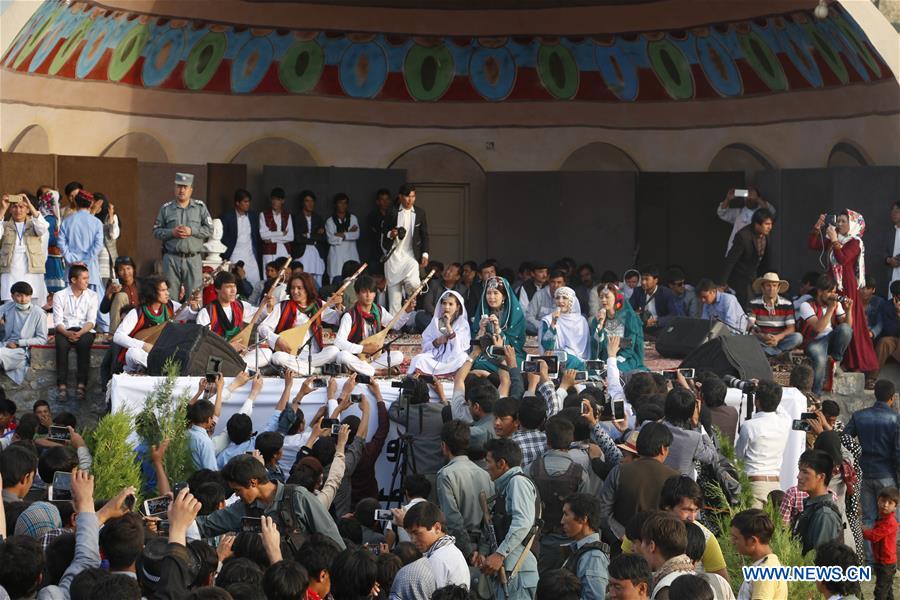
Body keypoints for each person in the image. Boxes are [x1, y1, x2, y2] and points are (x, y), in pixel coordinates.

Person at [195, 454, 345, 549]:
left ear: (253, 482)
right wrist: (177, 519)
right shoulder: (243, 508)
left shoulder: (298, 498)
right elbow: (207, 525)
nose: (236, 495)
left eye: (238, 490)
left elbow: (332, 539)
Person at [809, 210, 878, 376]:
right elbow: (813, 245)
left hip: (846, 285)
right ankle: (830, 357)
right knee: (831, 318)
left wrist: (833, 240)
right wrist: (817, 227)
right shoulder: (836, 239)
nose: (839, 224)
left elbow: (843, 259)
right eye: (838, 221)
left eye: (843, 221)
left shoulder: (855, 242)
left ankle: (850, 362)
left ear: (852, 224)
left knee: (848, 322)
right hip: (831, 283)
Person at [598, 423, 679, 547]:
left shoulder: (619, 471)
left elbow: (603, 511)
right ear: (663, 449)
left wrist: (623, 537)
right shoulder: (675, 478)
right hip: (659, 550)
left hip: (620, 549)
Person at [480, 438, 538, 600]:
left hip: (517, 572)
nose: (486, 467)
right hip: (510, 571)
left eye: (489, 461)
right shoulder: (507, 486)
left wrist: (499, 555)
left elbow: (523, 522)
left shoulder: (517, 483)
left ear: (501, 463)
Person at [844, 379, 899, 548]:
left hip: (864, 473)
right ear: (892, 398)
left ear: (875, 395)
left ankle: (867, 561)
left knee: (867, 518)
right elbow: (898, 452)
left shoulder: (859, 416)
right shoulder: (896, 419)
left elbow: (845, 440)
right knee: (889, 521)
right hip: (887, 475)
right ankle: (886, 560)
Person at [532, 416, 590, 571]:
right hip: (570, 545)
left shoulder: (531, 469)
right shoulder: (580, 473)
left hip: (537, 544)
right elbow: (587, 512)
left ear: (548, 442)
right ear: (570, 442)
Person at [435, 419, 494, 562]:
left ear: (444, 446)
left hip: (458, 547)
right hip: (482, 549)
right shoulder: (485, 474)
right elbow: (490, 517)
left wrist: (469, 552)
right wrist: (482, 550)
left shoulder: (446, 474)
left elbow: (452, 519)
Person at [260, 272, 342, 375]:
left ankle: (300, 369)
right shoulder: (282, 306)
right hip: (290, 354)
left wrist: (338, 305)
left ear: (308, 289)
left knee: (334, 351)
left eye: (299, 288)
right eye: (293, 288)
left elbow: (337, 319)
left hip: (313, 355)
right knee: (277, 357)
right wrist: (277, 340)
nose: (295, 291)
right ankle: (317, 371)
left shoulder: (319, 305)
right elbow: (262, 327)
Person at [112, 276, 198, 372]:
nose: (167, 293)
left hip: (162, 354)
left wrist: (194, 306)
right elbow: (118, 336)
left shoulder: (170, 306)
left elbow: (191, 315)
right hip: (144, 354)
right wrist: (143, 345)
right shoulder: (137, 312)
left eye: (167, 290)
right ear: (152, 292)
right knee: (132, 353)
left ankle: (158, 369)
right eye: (163, 290)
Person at [334, 274, 414, 376]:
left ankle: (359, 370)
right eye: (364, 292)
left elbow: (395, 325)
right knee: (342, 356)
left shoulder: (379, 311)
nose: (368, 295)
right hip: (356, 357)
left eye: (371, 291)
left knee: (398, 356)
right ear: (357, 294)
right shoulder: (349, 316)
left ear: (375, 294)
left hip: (373, 358)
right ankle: (377, 372)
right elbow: (338, 342)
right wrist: (363, 349)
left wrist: (406, 312)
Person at [153, 172, 213, 302]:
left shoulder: (200, 208)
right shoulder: (166, 209)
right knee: (169, 297)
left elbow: (209, 230)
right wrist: (171, 233)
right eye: (179, 186)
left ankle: (194, 322)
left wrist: (192, 231)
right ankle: (170, 322)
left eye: (185, 187)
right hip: (171, 258)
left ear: (191, 190)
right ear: (174, 188)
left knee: (195, 297)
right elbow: (156, 231)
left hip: (193, 258)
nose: (182, 190)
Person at [196, 271, 271, 369]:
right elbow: (204, 344)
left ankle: (240, 366)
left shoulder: (240, 305)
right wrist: (229, 347)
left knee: (267, 353)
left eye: (234, 286)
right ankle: (241, 367)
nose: (233, 291)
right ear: (217, 289)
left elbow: (259, 315)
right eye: (228, 287)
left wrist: (268, 306)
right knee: (214, 363)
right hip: (220, 355)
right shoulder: (206, 313)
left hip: (240, 355)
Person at [735, 380, 791, 507]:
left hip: (754, 484)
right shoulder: (785, 421)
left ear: (757, 402)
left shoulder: (749, 426)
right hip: (775, 484)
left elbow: (738, 456)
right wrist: (766, 388)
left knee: (751, 525)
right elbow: (779, 406)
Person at [798, 274, 853, 394]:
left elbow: (847, 327)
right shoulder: (806, 305)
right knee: (819, 357)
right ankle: (816, 393)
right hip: (813, 341)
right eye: (829, 292)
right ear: (819, 292)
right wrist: (830, 309)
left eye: (834, 291)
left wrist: (848, 311)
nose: (833, 295)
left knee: (845, 329)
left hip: (830, 339)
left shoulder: (835, 304)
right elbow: (818, 328)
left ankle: (835, 361)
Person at [52, 265, 99, 400]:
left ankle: (81, 385)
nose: (87, 281)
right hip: (65, 329)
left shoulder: (92, 295)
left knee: (84, 345)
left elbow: (91, 321)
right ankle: (62, 386)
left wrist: (80, 333)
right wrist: (67, 334)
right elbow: (57, 322)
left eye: (87, 278)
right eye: (84, 278)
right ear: (73, 280)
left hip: (84, 329)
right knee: (61, 345)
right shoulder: (59, 295)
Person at [382, 184, 429, 314]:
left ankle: (408, 296)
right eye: (407, 196)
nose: (410, 200)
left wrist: (425, 254)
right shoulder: (392, 211)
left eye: (413, 196)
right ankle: (394, 328)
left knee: (414, 284)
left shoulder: (420, 212)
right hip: (394, 257)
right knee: (394, 298)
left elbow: (424, 234)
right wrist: (390, 234)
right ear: (400, 197)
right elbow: (384, 230)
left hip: (411, 255)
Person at [402, 501, 470, 589]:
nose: (413, 540)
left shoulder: (437, 560)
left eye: (416, 533)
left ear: (437, 528)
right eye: (410, 534)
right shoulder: (449, 550)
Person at [0, 193, 49, 306]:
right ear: (10, 209)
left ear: (28, 209)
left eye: (22, 206)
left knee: (34, 309)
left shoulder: (35, 225)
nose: (18, 210)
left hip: (32, 273)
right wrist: (3, 208)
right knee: (10, 309)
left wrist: (30, 205)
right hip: (10, 274)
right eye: (15, 206)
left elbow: (43, 227)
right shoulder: (5, 225)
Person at [470, 276, 526, 374]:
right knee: (479, 364)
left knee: (518, 364)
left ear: (504, 296)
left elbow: (516, 345)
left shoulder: (515, 315)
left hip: (510, 354)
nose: (491, 297)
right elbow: (474, 346)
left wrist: (498, 330)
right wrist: (481, 330)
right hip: (486, 354)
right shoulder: (482, 313)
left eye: (496, 293)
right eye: (488, 293)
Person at [408, 290, 470, 377]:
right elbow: (425, 343)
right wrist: (437, 342)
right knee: (418, 359)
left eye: (451, 304)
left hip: (452, 359)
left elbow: (461, 346)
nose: (447, 307)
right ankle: (444, 373)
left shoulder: (462, 323)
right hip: (436, 357)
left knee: (463, 358)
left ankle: (441, 373)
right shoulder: (436, 321)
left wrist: (448, 325)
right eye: (444, 303)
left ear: (458, 307)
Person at [721, 208, 774, 309]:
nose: (770, 227)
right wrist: (722, 283)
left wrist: (766, 277)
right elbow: (730, 260)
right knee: (748, 304)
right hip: (740, 276)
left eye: (771, 224)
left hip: (755, 275)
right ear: (757, 224)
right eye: (767, 224)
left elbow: (766, 259)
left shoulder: (766, 235)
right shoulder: (743, 236)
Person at [793, 449, 843, 556]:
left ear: (821, 477)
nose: (799, 476)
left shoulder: (825, 515)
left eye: (805, 472)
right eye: (799, 470)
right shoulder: (811, 506)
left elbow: (821, 561)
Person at [560, 493, 610, 600]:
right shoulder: (581, 550)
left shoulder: (593, 557)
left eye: (566, 514)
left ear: (583, 519)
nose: (562, 521)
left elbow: (594, 598)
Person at [729, 509, 787, 600]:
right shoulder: (766, 565)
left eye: (736, 538)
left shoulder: (765, 571)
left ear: (752, 540)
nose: (732, 542)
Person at [0, 281, 48, 384]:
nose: (23, 299)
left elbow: (42, 339)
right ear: (12, 296)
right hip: (4, 345)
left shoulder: (38, 313)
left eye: (27, 296)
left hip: (20, 350)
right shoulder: (6, 308)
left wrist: (18, 343)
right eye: (19, 296)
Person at [637, 512, 693, 600]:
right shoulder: (698, 579)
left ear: (652, 546)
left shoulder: (667, 589)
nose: (641, 547)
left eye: (643, 542)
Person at [591, 284, 645, 373]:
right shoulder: (597, 320)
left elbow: (629, 345)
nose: (603, 300)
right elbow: (595, 347)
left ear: (616, 298)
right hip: (604, 358)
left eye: (607, 297)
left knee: (616, 370)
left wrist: (614, 360)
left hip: (625, 358)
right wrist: (600, 324)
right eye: (601, 297)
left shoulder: (629, 317)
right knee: (591, 372)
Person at [747, 272, 803, 359]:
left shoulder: (787, 304)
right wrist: (762, 336)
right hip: (762, 339)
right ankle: (778, 354)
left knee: (798, 337)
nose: (771, 288)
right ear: (762, 287)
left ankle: (772, 352)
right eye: (768, 285)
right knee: (749, 339)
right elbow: (750, 326)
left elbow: (791, 328)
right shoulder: (754, 303)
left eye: (774, 285)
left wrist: (777, 338)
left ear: (778, 288)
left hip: (780, 340)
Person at [541, 286, 590, 370]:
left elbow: (586, 349)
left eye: (564, 298)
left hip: (581, 361)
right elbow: (547, 346)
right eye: (557, 298)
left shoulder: (581, 321)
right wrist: (553, 323)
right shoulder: (548, 320)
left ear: (571, 301)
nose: (560, 301)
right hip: (558, 361)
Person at [862, 486, 897, 600]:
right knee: (887, 591)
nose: (885, 505)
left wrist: (861, 530)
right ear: (877, 501)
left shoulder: (890, 522)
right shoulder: (881, 518)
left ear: (895, 507)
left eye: (890, 503)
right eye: (883, 501)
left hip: (886, 563)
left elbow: (874, 536)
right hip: (881, 561)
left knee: (880, 592)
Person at [222, 189, 262, 285]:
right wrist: (225, 258)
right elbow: (223, 238)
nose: (248, 204)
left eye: (249, 202)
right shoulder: (227, 217)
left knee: (255, 280)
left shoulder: (253, 216)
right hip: (235, 254)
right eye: (245, 202)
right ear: (237, 203)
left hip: (250, 254)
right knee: (238, 282)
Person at [717, 187, 776, 254]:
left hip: (750, 256)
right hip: (733, 252)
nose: (749, 198)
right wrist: (727, 199)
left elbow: (772, 213)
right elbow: (722, 213)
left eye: (752, 195)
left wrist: (757, 199)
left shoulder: (762, 213)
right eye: (747, 195)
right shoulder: (739, 213)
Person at [415, 262, 467, 332]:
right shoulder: (435, 283)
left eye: (451, 271)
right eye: (447, 269)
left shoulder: (462, 290)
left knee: (461, 322)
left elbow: (461, 310)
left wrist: (449, 319)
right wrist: (439, 316)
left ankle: (439, 331)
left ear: (457, 277)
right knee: (420, 316)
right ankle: (442, 332)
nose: (447, 272)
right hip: (434, 317)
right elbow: (427, 303)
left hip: (452, 320)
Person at [35, 187, 66, 302]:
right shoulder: (51, 219)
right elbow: (52, 239)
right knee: (54, 290)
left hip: (48, 257)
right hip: (52, 259)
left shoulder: (41, 217)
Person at [629, 266, 680, 331]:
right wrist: (635, 314)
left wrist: (656, 321)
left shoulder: (666, 293)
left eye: (647, 279)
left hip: (660, 328)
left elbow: (674, 315)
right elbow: (628, 308)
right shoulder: (638, 291)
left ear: (656, 280)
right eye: (642, 279)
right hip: (643, 328)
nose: (643, 282)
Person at [294, 189, 328, 286]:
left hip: (317, 253)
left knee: (318, 280)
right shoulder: (296, 217)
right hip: (302, 253)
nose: (310, 204)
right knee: (302, 279)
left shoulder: (318, 218)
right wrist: (315, 236)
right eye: (307, 201)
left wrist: (308, 235)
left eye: (312, 201)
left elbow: (323, 237)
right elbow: (298, 238)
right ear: (302, 203)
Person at [325, 192, 360, 282]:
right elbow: (331, 239)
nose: (343, 205)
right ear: (336, 204)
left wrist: (341, 234)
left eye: (345, 203)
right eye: (340, 203)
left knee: (354, 280)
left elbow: (356, 234)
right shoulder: (330, 221)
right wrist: (348, 233)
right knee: (336, 281)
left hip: (351, 254)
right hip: (337, 256)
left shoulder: (353, 218)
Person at [99, 256, 139, 335]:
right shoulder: (114, 284)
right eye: (121, 270)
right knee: (121, 296)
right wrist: (109, 293)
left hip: (137, 320)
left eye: (128, 268)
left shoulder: (141, 283)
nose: (126, 272)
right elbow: (103, 310)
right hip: (120, 323)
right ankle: (113, 334)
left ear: (133, 269)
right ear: (117, 272)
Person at [259, 186, 295, 272]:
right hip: (269, 252)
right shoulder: (263, 215)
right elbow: (263, 236)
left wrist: (271, 239)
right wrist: (281, 233)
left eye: (278, 199)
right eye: (273, 199)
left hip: (284, 250)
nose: (274, 202)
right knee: (269, 276)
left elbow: (290, 237)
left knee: (284, 277)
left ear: (282, 201)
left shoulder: (287, 216)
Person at [90, 192, 119, 287]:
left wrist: (111, 216)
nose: (96, 206)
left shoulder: (111, 216)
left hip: (105, 256)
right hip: (92, 255)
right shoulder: (90, 216)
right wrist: (92, 213)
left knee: (104, 283)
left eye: (98, 204)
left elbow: (113, 234)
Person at [526, 269, 566, 335]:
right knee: (525, 324)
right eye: (553, 282)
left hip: (560, 330)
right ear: (549, 282)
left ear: (564, 284)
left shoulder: (569, 297)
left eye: (559, 282)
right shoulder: (539, 295)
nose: (555, 285)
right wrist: (542, 327)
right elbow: (529, 316)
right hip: (540, 329)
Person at [361, 188, 392, 271]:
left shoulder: (393, 215)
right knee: (375, 277)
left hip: (390, 253)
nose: (385, 202)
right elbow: (374, 232)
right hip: (376, 253)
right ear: (377, 201)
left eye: (387, 199)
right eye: (382, 199)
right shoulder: (373, 215)